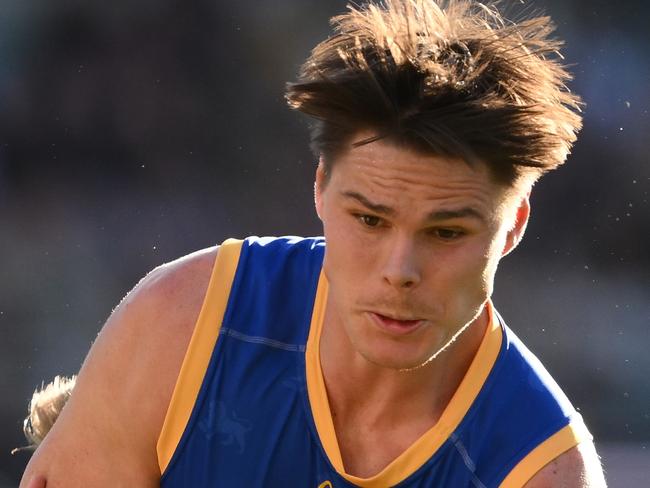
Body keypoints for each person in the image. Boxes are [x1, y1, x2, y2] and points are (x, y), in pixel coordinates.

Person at [20, 0, 607, 486]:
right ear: (321, 189)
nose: (400, 270)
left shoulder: (539, 472)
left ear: (514, 225)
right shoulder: (181, 326)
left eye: (445, 232)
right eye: (371, 221)